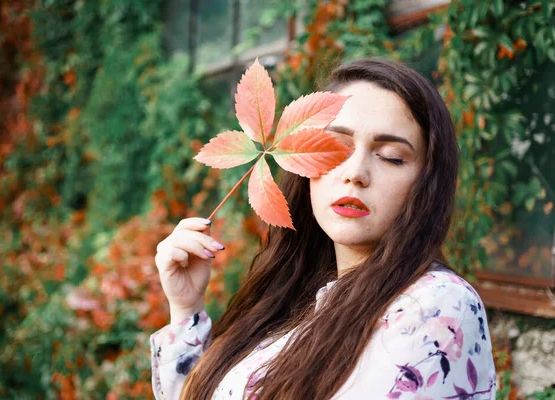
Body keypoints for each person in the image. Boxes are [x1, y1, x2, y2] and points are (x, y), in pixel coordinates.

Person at [151, 58, 497, 400]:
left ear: (427, 182)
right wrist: (186, 309)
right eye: (337, 146)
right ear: (303, 162)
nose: (355, 172)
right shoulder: (287, 302)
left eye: (391, 156)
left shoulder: (436, 304)